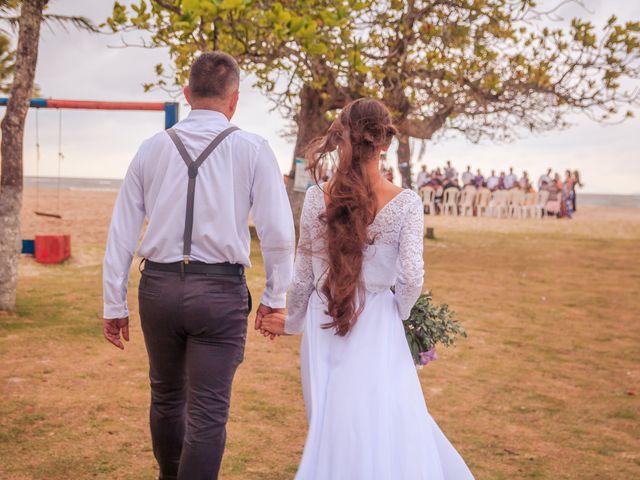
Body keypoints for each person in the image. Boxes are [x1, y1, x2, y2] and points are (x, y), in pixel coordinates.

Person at [102, 52, 295, 480]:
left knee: (166, 397)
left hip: (158, 288)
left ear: (187, 94)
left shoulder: (151, 148)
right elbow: (279, 233)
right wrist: (274, 296)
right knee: (208, 412)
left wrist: (113, 302)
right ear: (234, 100)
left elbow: (122, 231)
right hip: (220, 292)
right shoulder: (253, 149)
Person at [259, 98, 474, 479]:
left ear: (341, 137)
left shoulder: (315, 197)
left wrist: (292, 322)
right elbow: (411, 278)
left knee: (330, 423)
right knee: (386, 418)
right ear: (385, 143)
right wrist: (400, 313)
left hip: (324, 321)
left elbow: (305, 275)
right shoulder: (406, 203)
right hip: (377, 321)